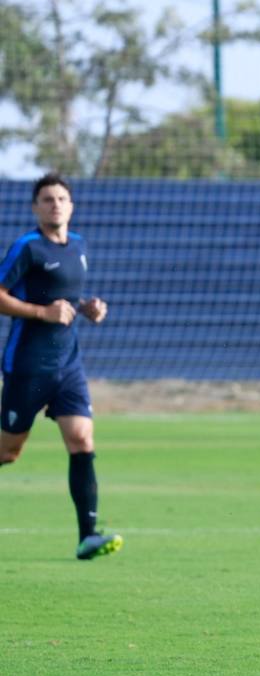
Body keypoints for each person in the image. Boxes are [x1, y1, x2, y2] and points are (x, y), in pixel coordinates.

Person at [0, 173, 119, 560]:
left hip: (68, 364)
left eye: (61, 199)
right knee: (9, 452)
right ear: (35, 207)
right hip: (28, 367)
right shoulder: (27, 248)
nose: (55, 205)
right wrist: (41, 312)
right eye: (47, 199)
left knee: (82, 439)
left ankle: (88, 536)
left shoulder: (79, 246)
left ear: (71, 206)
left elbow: (66, 296)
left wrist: (87, 308)